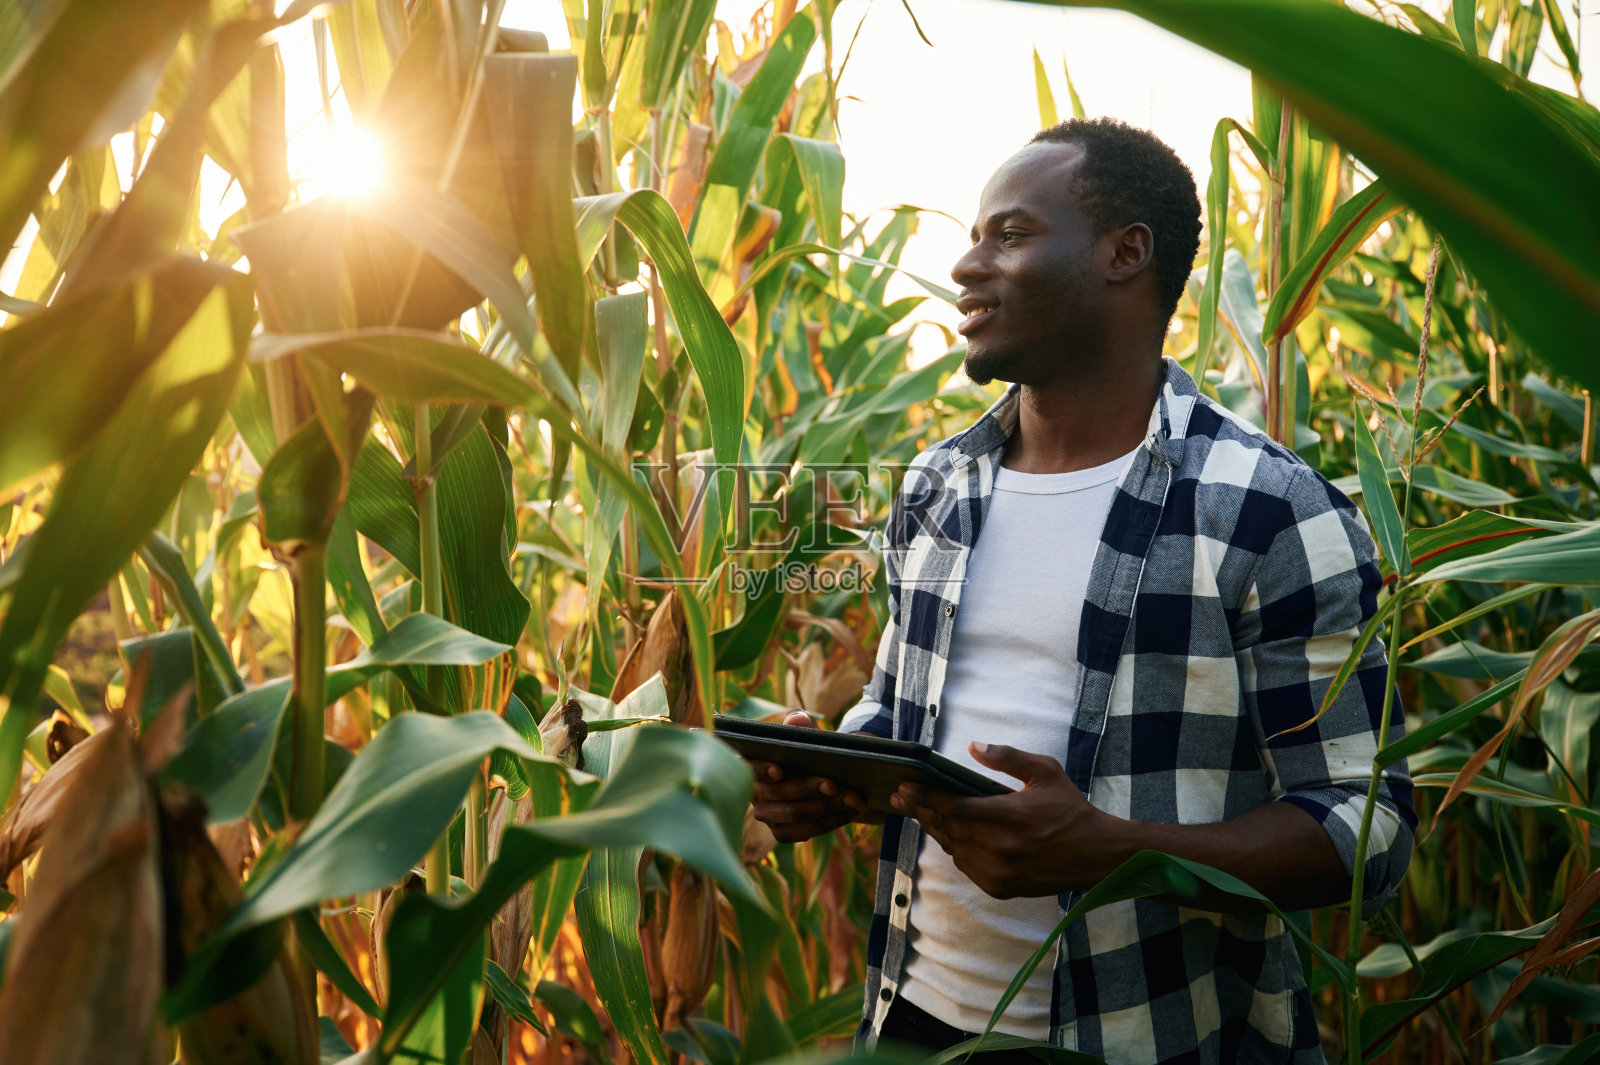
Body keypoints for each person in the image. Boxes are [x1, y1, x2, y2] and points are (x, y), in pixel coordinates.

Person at [747, 118, 1414, 1065]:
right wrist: (840, 779)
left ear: (1124, 253)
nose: (967, 265)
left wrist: (1108, 849)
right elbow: (899, 715)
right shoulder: (938, 487)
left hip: (1146, 1034)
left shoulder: (1266, 508)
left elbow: (1368, 825)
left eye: (1009, 235)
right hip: (913, 1020)